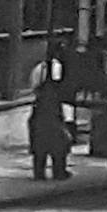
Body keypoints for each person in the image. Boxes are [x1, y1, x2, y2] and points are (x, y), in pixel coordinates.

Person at [27, 39, 73, 181]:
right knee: (59, 143)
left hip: (41, 108)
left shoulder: (40, 68)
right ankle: (59, 172)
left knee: (40, 143)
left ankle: (39, 173)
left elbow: (33, 86)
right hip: (54, 108)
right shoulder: (58, 66)